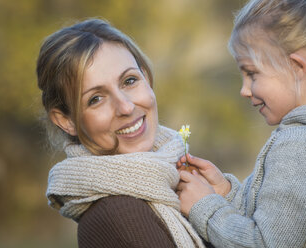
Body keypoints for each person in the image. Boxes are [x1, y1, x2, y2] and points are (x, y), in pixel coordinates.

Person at [176, 0, 306, 247]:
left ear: (297, 66)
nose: (244, 90)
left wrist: (204, 207)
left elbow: (264, 242)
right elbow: (280, 222)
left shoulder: (299, 145)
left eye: (252, 74)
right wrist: (224, 193)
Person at [37, 18, 207, 248]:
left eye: (129, 81)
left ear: (145, 76)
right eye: (96, 99)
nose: (126, 107)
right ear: (66, 120)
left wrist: (221, 200)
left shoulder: (183, 178)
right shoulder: (120, 214)